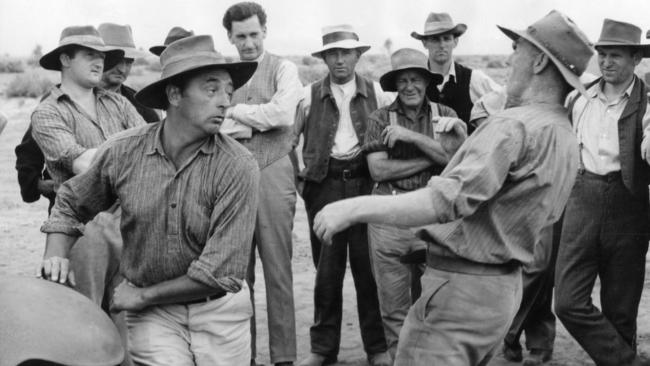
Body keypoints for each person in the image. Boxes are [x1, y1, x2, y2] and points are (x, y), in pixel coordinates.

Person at [313, 10, 593, 365]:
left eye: (517, 48)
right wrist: (462, 148)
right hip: (502, 291)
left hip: (461, 293)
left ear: (538, 62)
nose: (510, 57)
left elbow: (446, 199)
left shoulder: (511, 125)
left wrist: (351, 209)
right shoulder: (563, 132)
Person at [37, 34, 260, 366]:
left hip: (221, 314)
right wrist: (56, 254)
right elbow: (71, 200)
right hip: (154, 318)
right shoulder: (124, 150)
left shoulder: (239, 166)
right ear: (174, 94)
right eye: (211, 90)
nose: (225, 101)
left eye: (229, 91)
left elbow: (219, 273)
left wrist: (140, 295)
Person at [294, 24, 393, 366]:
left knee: (369, 268)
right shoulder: (308, 95)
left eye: (346, 53)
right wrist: (305, 185)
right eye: (332, 54)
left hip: (366, 185)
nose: (339, 60)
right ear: (324, 58)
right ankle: (323, 349)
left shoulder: (378, 93)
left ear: (357, 55)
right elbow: (289, 141)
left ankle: (377, 347)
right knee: (327, 271)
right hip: (326, 185)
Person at [554, 18, 650, 366]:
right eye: (603, 54)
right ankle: (628, 362)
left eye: (616, 56)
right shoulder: (578, 99)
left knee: (621, 310)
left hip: (629, 205)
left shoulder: (647, 101)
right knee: (567, 301)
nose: (607, 62)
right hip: (581, 199)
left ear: (636, 59)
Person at [363, 47, 461, 361]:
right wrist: (430, 158)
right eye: (402, 80)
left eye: (415, 79)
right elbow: (378, 170)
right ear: (395, 84)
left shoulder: (446, 116)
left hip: (434, 218)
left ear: (426, 81)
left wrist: (411, 137)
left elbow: (456, 161)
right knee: (393, 306)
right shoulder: (379, 118)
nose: (409, 86)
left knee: (437, 302)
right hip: (389, 215)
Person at [221, 3, 303, 365]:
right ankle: (245, 357)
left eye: (254, 34)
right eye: (241, 37)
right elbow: (213, 125)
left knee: (278, 268)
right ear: (230, 38)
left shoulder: (284, 68)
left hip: (274, 170)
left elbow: (284, 114)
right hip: (231, 177)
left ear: (265, 31)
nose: (249, 43)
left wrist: (237, 114)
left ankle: (284, 357)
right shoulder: (224, 74)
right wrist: (259, 121)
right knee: (237, 274)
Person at [411, 12, 501, 133]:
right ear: (425, 43)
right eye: (435, 39)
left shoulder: (474, 79)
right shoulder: (414, 83)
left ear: (455, 42)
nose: (442, 45)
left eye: (446, 39)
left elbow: (507, 103)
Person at [97, 23, 160, 122]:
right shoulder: (70, 98)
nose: (122, 69)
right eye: (116, 60)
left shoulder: (142, 108)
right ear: (97, 58)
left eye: (128, 62)